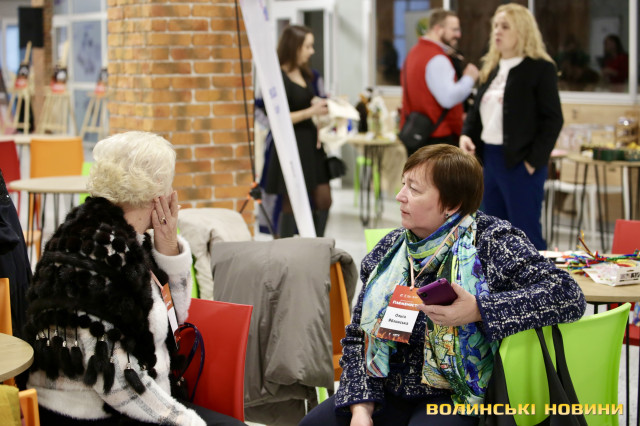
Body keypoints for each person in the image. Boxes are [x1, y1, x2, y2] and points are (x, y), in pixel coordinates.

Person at [300, 144, 586, 426]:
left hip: (457, 395)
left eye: (414, 189)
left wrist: (479, 309)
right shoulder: (391, 250)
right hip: (386, 388)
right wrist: (361, 408)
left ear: (451, 204)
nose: (400, 196)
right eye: (403, 183)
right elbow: (357, 336)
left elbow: (567, 294)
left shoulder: (490, 242)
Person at [23, 131, 244, 426]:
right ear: (157, 191)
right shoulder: (98, 255)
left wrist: (168, 248)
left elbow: (174, 321)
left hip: (134, 399)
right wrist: (184, 420)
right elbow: (114, 378)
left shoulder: (121, 238)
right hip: (91, 414)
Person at [459, 3, 563, 250]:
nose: (497, 31)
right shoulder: (491, 68)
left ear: (522, 31)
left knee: (526, 234)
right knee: (491, 232)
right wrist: (465, 135)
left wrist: (533, 162)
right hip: (489, 160)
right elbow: (476, 112)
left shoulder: (540, 68)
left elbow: (553, 119)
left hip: (520, 161)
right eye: (495, 26)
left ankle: (538, 276)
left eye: (505, 26)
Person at [262, 24, 331, 238]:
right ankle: (286, 248)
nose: (312, 51)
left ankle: (317, 246)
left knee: (324, 199)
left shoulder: (305, 73)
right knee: (291, 202)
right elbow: (277, 119)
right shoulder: (278, 78)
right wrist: (311, 111)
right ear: (295, 46)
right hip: (292, 144)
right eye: (308, 46)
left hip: (310, 144)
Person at [400, 9, 478, 156]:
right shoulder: (437, 58)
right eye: (454, 29)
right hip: (438, 138)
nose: (458, 35)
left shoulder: (413, 53)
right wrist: (469, 78)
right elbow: (448, 99)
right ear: (438, 29)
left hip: (418, 135)